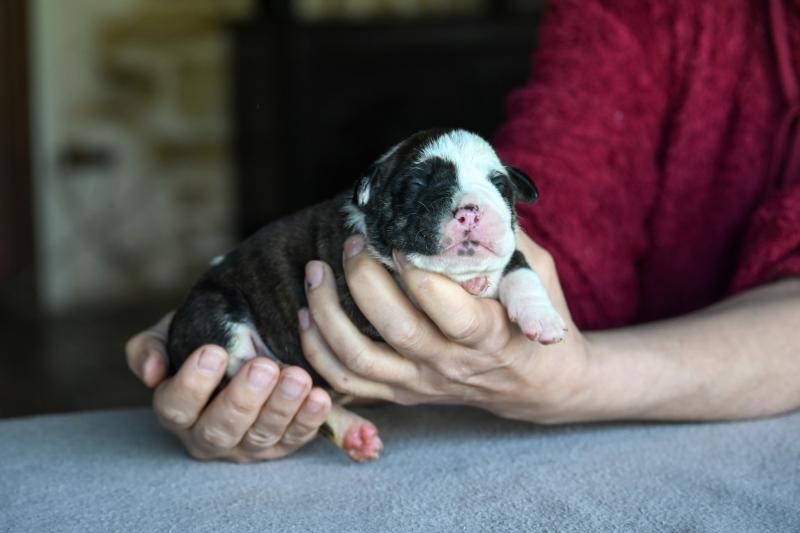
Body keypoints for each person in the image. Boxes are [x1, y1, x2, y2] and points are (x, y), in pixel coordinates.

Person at [126, 0, 800, 462]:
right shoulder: (634, 16)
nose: (472, 215)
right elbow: (560, 228)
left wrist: (581, 377)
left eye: (488, 200)